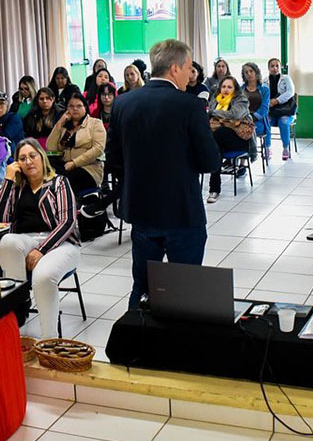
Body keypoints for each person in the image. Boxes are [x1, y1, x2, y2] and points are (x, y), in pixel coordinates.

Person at [104, 39, 220, 310]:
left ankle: (135, 348)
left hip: (141, 211)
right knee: (184, 290)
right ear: (175, 68)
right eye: (189, 68)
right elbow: (210, 161)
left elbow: (114, 158)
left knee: (142, 287)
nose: (190, 75)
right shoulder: (189, 106)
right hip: (181, 211)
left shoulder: (123, 103)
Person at [0, 139, 81, 339]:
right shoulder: (17, 188)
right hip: (26, 241)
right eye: (22, 158)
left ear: (42, 157)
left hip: (62, 244)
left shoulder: (59, 182)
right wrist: (7, 181)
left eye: (32, 156)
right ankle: (20, 300)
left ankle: (49, 341)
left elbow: (67, 223)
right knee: (6, 242)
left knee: (43, 277)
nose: (28, 162)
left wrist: (41, 249)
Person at [46, 92, 106, 195]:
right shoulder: (65, 126)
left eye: (79, 106)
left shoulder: (95, 123)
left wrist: (75, 163)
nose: (75, 109)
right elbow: (50, 147)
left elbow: (98, 149)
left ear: (85, 107)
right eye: (71, 106)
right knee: (45, 172)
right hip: (65, 166)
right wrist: (59, 124)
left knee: (63, 179)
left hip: (88, 169)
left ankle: (66, 205)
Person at [206, 76, 253, 203]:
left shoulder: (241, 100)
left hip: (239, 139)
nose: (226, 90)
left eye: (229, 87)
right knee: (217, 145)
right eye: (223, 87)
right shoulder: (216, 100)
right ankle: (214, 189)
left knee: (218, 134)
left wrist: (214, 113)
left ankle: (214, 189)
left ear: (235, 89)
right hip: (219, 140)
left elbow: (235, 114)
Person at [267, 57, 297, 161]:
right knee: (266, 122)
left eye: (277, 66)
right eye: (272, 66)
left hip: (285, 110)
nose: (274, 68)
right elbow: (262, 95)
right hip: (271, 111)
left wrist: (276, 101)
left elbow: (290, 92)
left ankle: (285, 148)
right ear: (268, 68)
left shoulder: (286, 79)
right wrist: (269, 103)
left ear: (280, 67)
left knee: (283, 122)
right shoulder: (265, 81)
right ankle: (267, 148)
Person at [241, 62, 270, 160]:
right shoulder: (241, 89)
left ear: (256, 72)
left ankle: (244, 162)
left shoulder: (264, 88)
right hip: (243, 119)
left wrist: (252, 118)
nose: (249, 74)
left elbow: (264, 108)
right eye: (246, 72)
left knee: (245, 132)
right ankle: (234, 159)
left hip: (258, 121)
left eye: (251, 71)